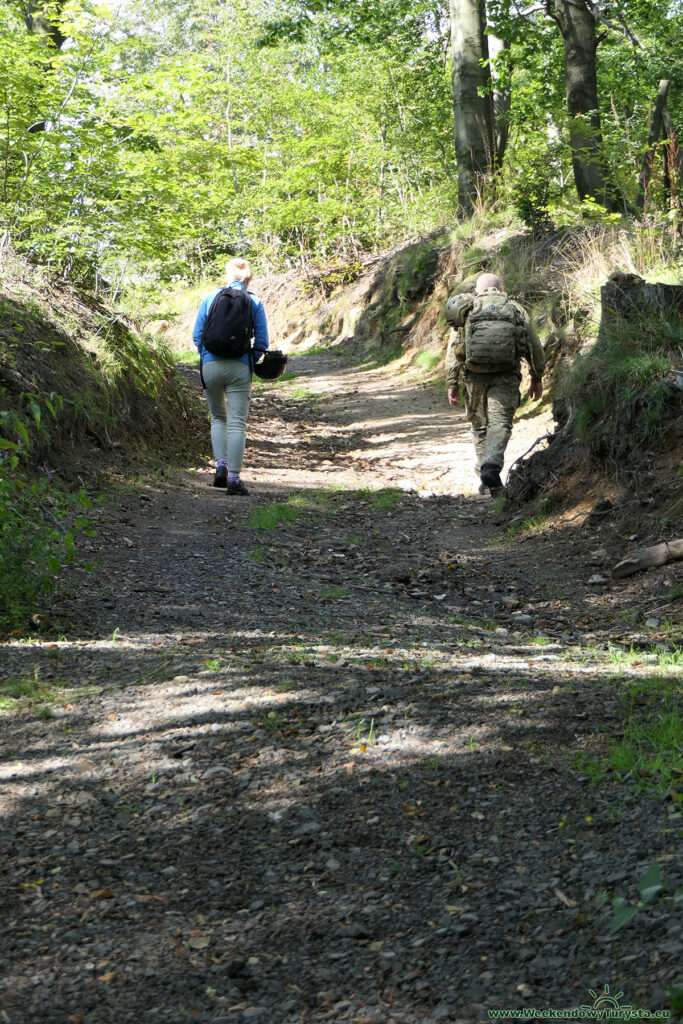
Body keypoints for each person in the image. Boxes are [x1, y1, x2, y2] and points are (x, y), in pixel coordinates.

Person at [445, 272, 545, 493]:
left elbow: (454, 349)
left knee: (479, 424)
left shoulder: (465, 309)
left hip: (473, 375)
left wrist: (452, 382)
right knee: (500, 422)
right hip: (506, 374)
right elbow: (533, 345)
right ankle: (491, 466)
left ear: (477, 291)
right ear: (501, 288)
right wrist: (537, 377)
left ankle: (485, 473)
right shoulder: (515, 308)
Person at [193, 258, 269, 495]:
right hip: (239, 368)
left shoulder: (210, 297)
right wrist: (249, 360)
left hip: (210, 365)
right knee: (237, 422)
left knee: (217, 417)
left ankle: (220, 468)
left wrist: (207, 356)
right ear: (249, 278)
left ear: (227, 276)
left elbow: (197, 336)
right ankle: (234, 480)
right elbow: (262, 342)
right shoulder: (254, 301)